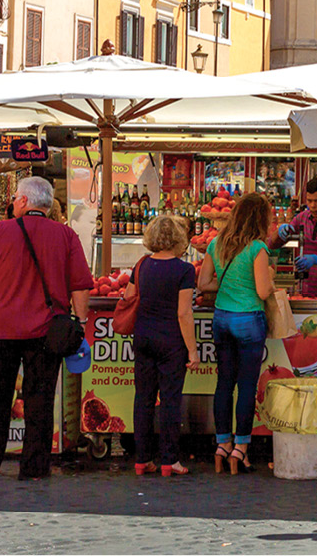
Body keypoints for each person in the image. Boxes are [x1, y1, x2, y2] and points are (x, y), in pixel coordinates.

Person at [0, 177, 93, 480]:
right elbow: (81, 285)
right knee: (40, 399)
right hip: (46, 332)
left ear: (22, 201)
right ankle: (34, 467)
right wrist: (81, 324)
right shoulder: (65, 235)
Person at [199, 193, 274, 474]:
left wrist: (228, 286)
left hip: (222, 319)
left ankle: (222, 444)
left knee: (224, 384)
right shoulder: (258, 248)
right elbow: (263, 291)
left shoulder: (216, 243)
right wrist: (269, 276)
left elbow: (204, 283)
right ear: (260, 219)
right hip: (249, 320)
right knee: (246, 386)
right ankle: (241, 448)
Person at [126, 214, 198, 477]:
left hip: (143, 337)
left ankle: (142, 459)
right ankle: (170, 460)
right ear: (179, 239)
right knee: (170, 400)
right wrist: (192, 349)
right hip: (171, 342)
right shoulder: (184, 270)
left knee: (143, 398)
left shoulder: (141, 265)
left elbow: (128, 297)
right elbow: (184, 313)